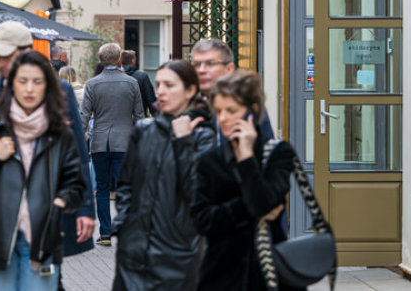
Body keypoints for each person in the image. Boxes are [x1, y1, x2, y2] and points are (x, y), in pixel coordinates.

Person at [0, 50, 86, 291]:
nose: (29, 89)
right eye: (22, 81)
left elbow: (75, 184)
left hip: (42, 237)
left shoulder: (59, 134)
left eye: (37, 82)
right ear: (10, 85)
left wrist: (58, 202)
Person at [0, 22, 96, 268]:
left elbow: (78, 154)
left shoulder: (59, 91)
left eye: (8, 55)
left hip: (46, 206)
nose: (2, 62)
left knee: (45, 275)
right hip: (0, 208)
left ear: (27, 52)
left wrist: (85, 208)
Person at [111, 60, 215, 291]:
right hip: (134, 250)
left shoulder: (203, 137)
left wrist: (183, 142)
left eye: (169, 85)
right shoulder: (144, 131)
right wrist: (126, 224)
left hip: (177, 253)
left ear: (190, 90)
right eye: (159, 84)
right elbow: (125, 184)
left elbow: (197, 192)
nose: (161, 91)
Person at [192, 70, 294, 291]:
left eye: (232, 110)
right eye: (219, 111)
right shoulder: (209, 161)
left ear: (253, 110)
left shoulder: (277, 154)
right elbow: (202, 221)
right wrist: (249, 208)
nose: (224, 118)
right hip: (221, 275)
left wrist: (247, 158)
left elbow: (262, 203)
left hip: (269, 274)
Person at [79, 43, 143, 247]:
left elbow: (84, 115)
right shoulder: (132, 83)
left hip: (99, 142)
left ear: (100, 60)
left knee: (103, 189)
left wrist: (78, 140)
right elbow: (139, 115)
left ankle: (105, 233)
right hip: (124, 142)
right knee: (126, 188)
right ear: (118, 60)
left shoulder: (92, 84)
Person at [191, 39, 274, 141]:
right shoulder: (185, 104)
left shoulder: (246, 103)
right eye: (197, 64)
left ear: (229, 69)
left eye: (210, 63)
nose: (201, 70)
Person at [120, 50, 158, 117]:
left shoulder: (116, 76)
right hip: (139, 117)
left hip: (121, 119)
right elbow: (150, 98)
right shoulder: (142, 76)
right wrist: (156, 116)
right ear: (133, 61)